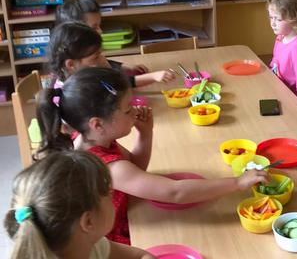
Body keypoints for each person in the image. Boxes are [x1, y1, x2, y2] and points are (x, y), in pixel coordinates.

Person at [36, 67, 269, 245]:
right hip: (114, 242)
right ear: (97, 124)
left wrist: (145, 134)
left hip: (128, 213)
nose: (135, 111)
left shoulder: (90, 138)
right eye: (128, 110)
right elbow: (174, 192)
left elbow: (135, 167)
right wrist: (238, 182)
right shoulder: (106, 167)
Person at [4, 150, 154, 259]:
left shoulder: (90, 243)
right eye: (107, 191)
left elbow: (138, 256)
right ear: (88, 221)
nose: (112, 192)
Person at [55, 0, 157, 80]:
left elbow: (103, 63)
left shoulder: (82, 53)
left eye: (99, 25)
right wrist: (151, 78)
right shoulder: (75, 70)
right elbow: (113, 83)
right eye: (94, 27)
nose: (100, 31)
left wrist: (126, 68)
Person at [48, 22, 174, 88]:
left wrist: (124, 67)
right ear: (71, 64)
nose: (103, 59)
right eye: (96, 57)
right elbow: (120, 84)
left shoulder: (78, 75)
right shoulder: (80, 90)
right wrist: (152, 77)